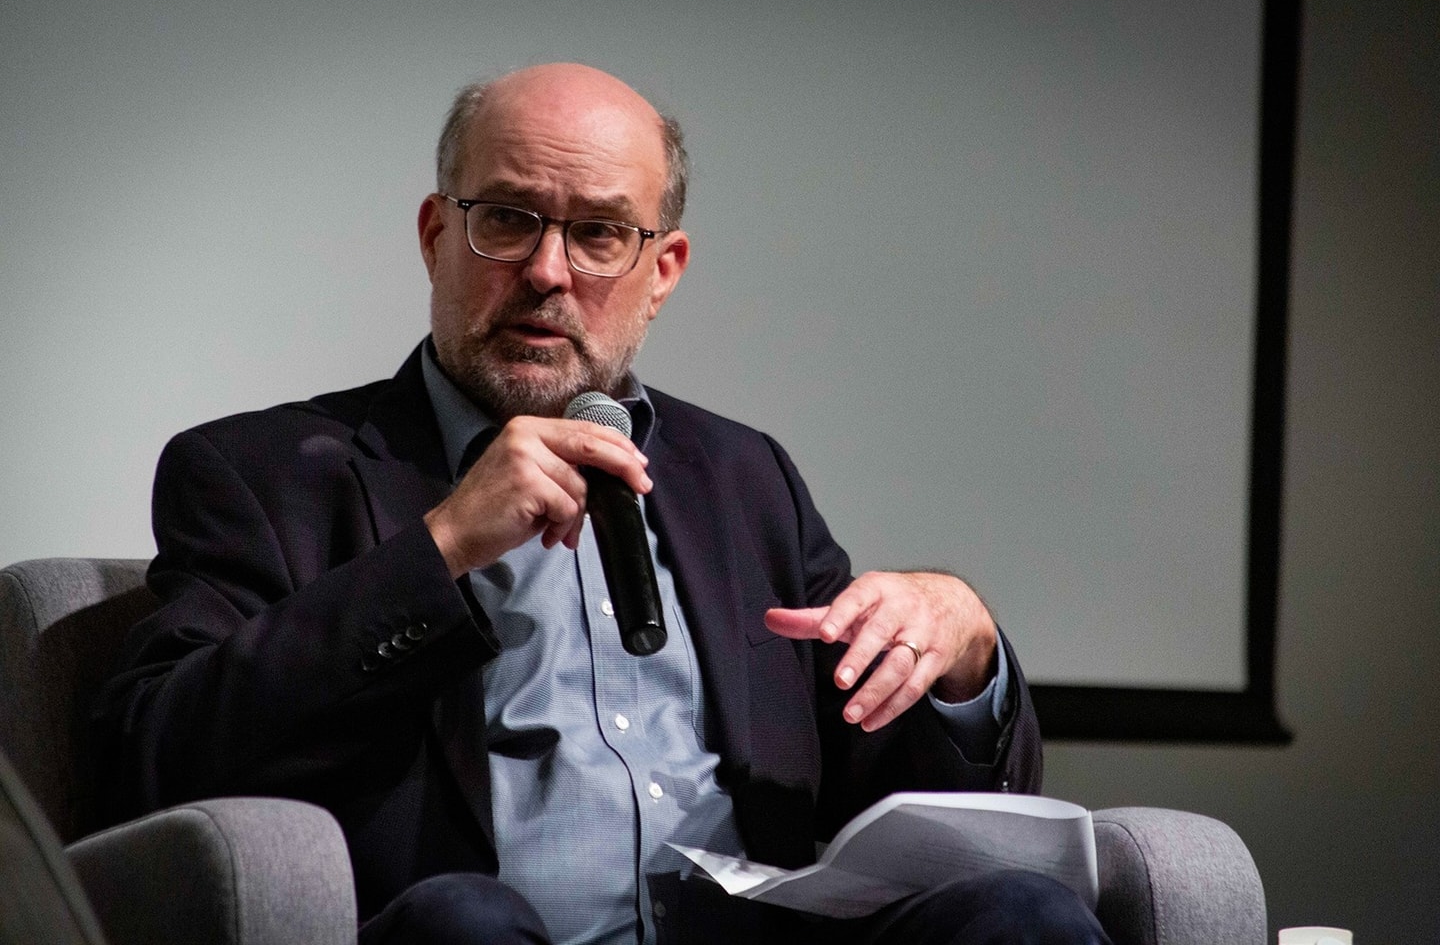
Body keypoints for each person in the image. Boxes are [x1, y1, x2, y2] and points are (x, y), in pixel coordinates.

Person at [92, 63, 1109, 945]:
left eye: (600, 235)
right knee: (465, 924)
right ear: (435, 235)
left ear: (661, 270)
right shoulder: (265, 473)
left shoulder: (745, 477)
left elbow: (887, 797)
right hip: (471, 933)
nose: (546, 271)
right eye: (507, 220)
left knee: (1028, 919)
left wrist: (963, 652)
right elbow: (155, 757)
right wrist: (438, 548)